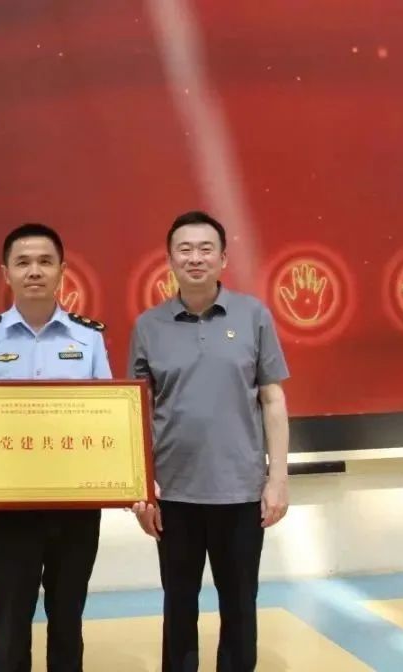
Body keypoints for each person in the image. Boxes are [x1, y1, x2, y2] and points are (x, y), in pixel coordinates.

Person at [128, 211, 291, 672]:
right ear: (170, 260)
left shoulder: (253, 316)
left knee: (239, 604)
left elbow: (273, 399)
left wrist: (277, 479)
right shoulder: (148, 326)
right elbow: (136, 411)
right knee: (178, 605)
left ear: (223, 259)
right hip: (174, 494)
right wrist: (142, 488)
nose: (195, 258)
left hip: (240, 491)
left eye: (205, 249)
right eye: (185, 250)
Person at [0, 223, 112, 672]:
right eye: (23, 262)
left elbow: (112, 415)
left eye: (45, 261)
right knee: (10, 626)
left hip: (76, 507)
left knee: (68, 621)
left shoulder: (89, 338)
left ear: (62, 270)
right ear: (6, 273)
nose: (34, 271)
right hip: (7, 510)